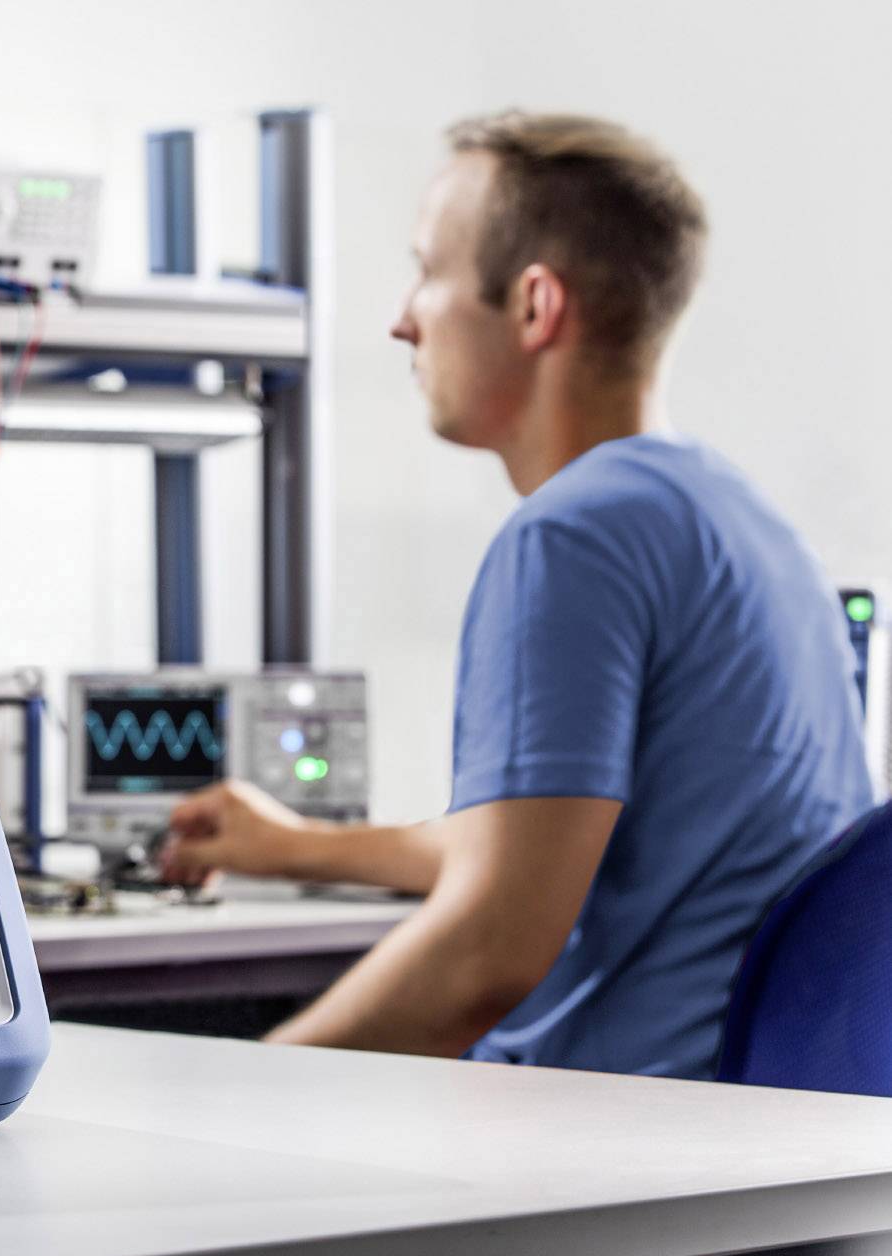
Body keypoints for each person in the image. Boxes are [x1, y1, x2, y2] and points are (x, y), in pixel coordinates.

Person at [158, 111, 872, 1079]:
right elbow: (539, 844)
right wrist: (298, 847)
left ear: (536, 306)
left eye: (427, 272)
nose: (402, 316)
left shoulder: (572, 535)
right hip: (760, 1144)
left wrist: (237, 1094)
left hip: (615, 1148)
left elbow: (485, 957)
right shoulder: (738, 517)